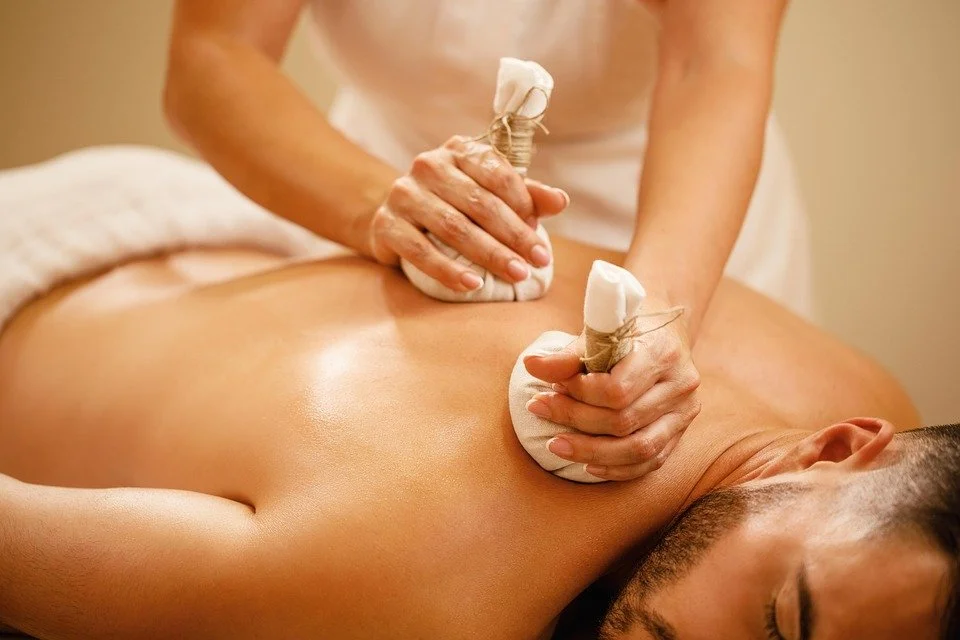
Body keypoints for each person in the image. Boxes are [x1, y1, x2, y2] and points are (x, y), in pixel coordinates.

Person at [0, 149, 949, 640]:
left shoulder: (867, 399)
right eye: (781, 625)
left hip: (194, 232)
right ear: (837, 448)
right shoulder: (426, 590)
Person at [163, 0, 811, 479]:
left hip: (672, 213)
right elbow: (214, 54)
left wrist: (661, 313)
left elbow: (715, 62)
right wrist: (375, 204)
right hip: (380, 187)